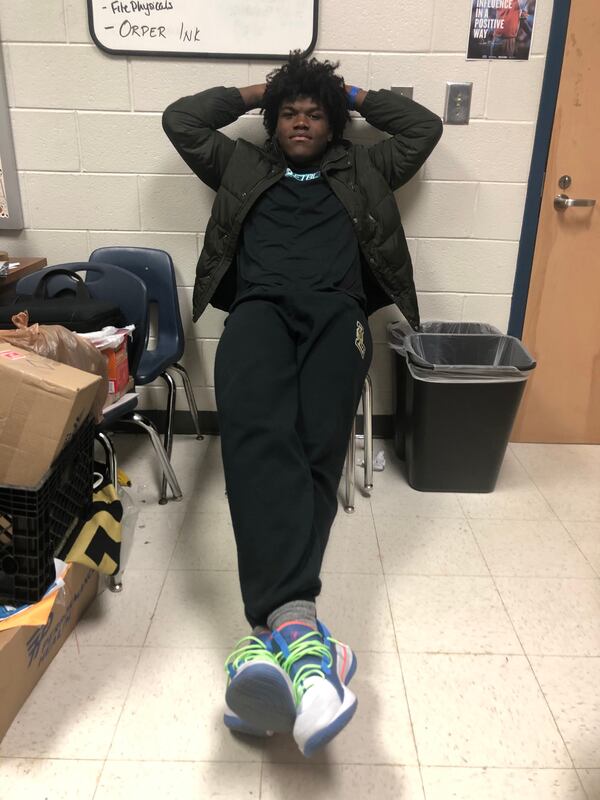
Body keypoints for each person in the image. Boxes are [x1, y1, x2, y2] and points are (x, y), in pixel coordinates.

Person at [163, 53, 442, 757]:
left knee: (317, 447)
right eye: (289, 112)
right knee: (257, 439)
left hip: (338, 314)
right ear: (272, 119)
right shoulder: (240, 165)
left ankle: (279, 639)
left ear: (333, 122)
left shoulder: (367, 169)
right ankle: (306, 639)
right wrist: (270, 85)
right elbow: (181, 119)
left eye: (314, 113)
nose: (300, 122)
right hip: (256, 311)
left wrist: (343, 91)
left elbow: (423, 127)